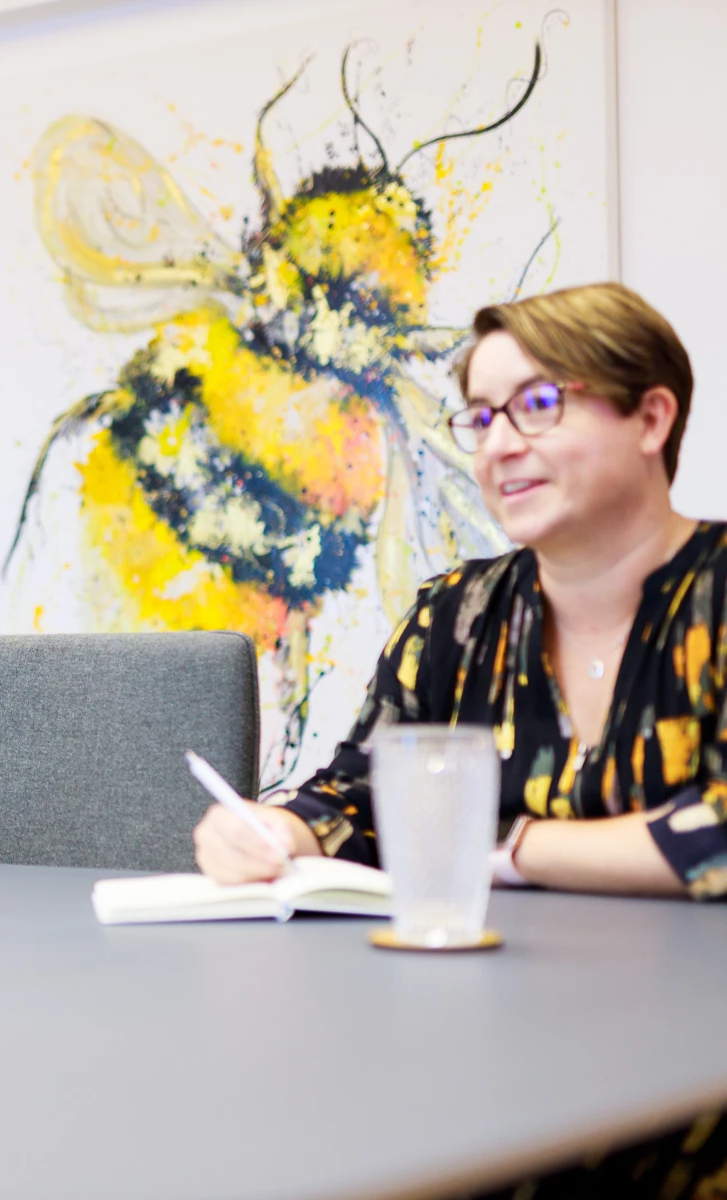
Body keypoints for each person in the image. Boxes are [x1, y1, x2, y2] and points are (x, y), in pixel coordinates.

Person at [193, 281, 727, 1197]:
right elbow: (361, 791)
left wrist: (509, 847)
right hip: (490, 1043)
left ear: (651, 417)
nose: (501, 445)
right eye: (481, 417)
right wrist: (279, 830)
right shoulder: (456, 615)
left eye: (540, 403)